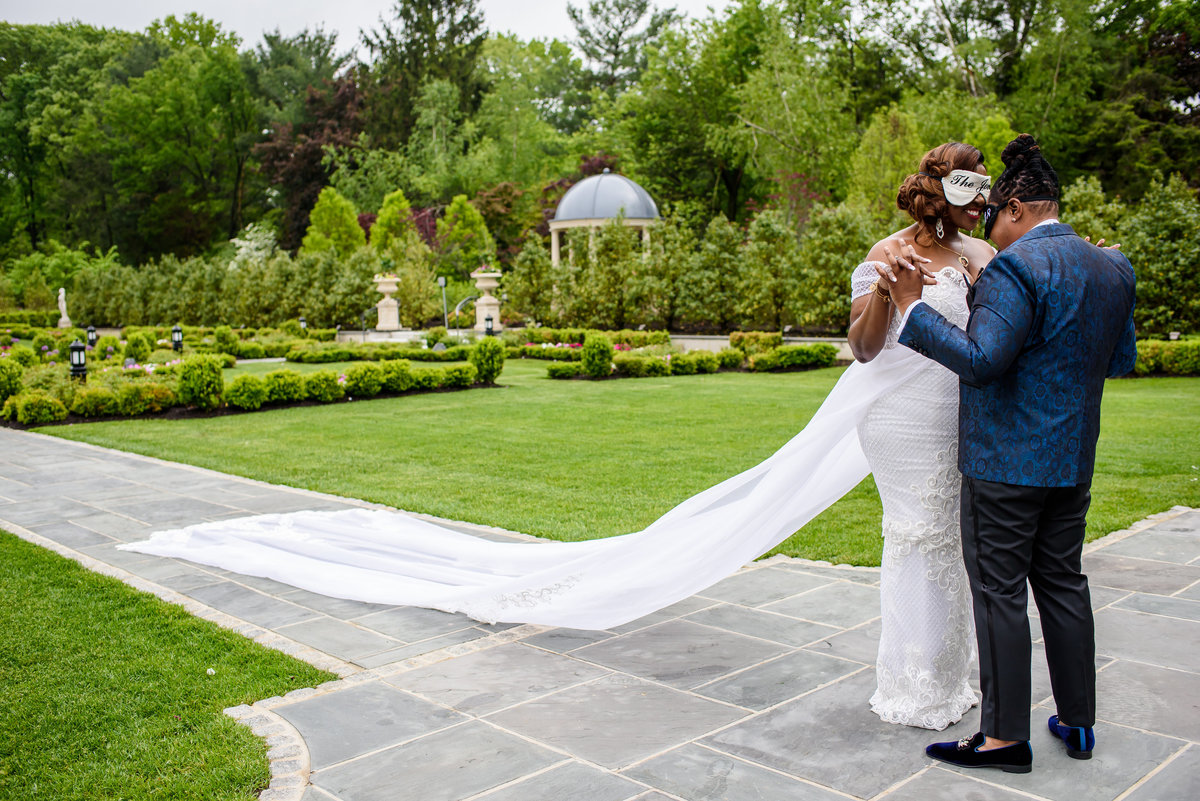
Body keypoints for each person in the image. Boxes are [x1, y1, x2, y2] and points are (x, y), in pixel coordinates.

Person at [885, 134, 1137, 772]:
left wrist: (915, 307)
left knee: (999, 594)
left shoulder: (1014, 267)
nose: (989, 225)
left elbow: (981, 361)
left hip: (1003, 466)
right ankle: (1079, 724)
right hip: (1071, 462)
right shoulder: (1113, 266)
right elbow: (1122, 362)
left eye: (994, 212)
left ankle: (1002, 739)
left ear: (1019, 208)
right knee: (1064, 586)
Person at [847, 142, 995, 730]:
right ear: (942, 192)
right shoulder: (888, 251)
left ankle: (948, 672)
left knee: (952, 539)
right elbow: (862, 349)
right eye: (973, 189)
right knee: (918, 534)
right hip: (900, 416)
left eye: (988, 189)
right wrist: (887, 289)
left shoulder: (981, 252)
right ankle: (913, 681)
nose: (984, 201)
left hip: (960, 407)